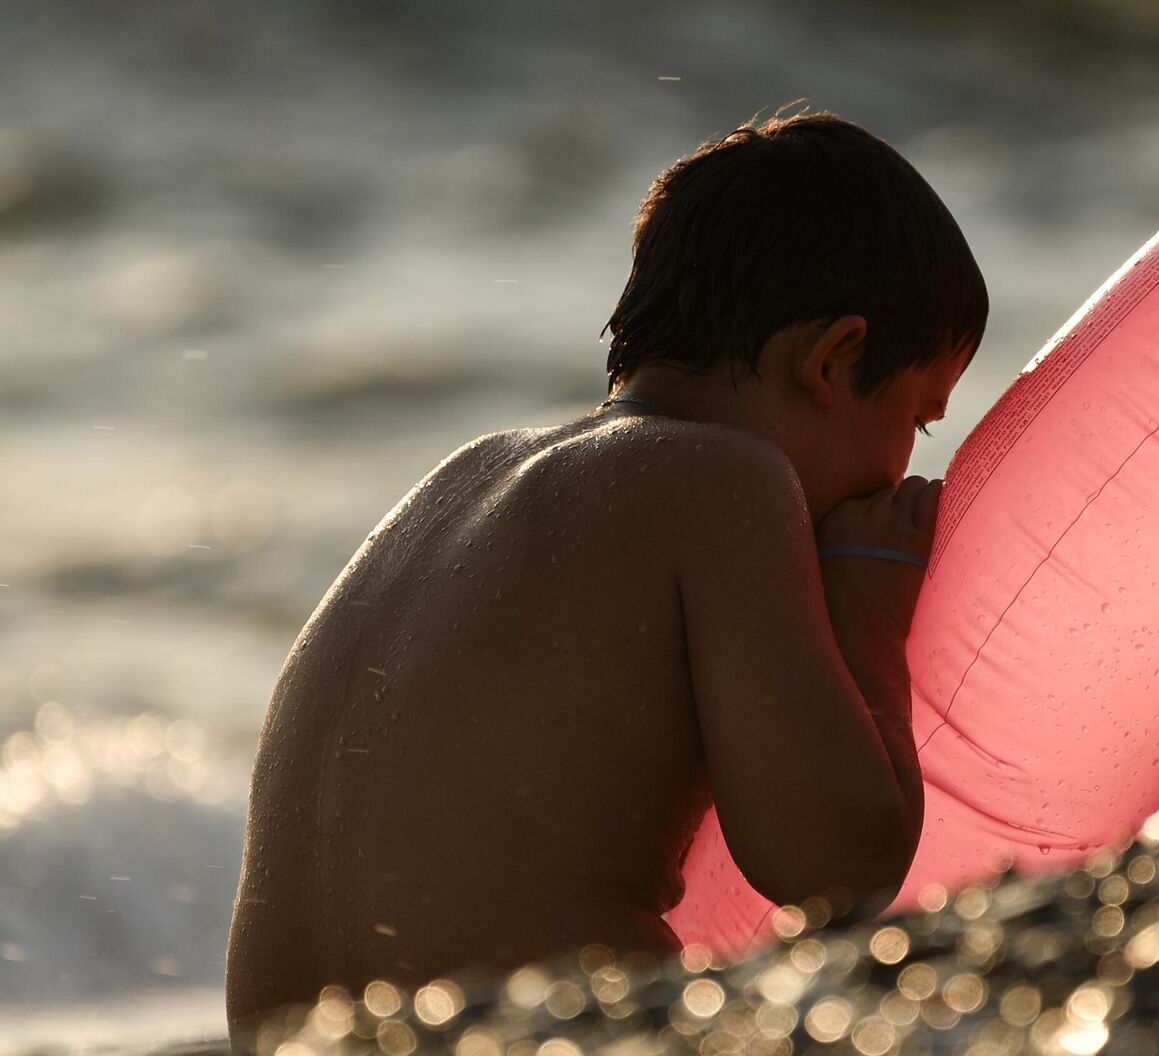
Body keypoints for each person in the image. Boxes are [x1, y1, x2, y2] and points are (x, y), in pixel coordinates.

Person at [224, 109, 987, 1049]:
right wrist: (869, 624)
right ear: (830, 361)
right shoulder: (726, 483)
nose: (906, 462)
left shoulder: (464, 480)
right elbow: (833, 862)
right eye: (920, 416)